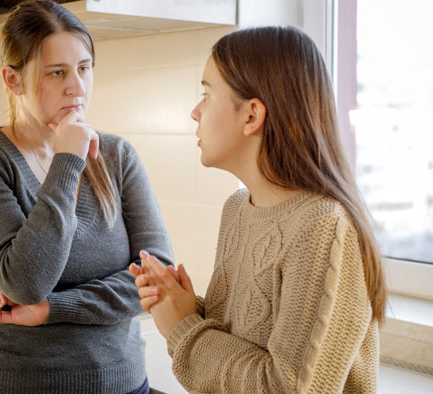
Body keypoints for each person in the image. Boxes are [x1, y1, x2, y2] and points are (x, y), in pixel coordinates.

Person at [130, 26, 386, 393]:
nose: (194, 111)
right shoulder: (237, 209)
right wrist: (186, 306)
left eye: (207, 93)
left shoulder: (324, 229)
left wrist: (184, 326)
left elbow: (288, 387)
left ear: (251, 116)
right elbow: (242, 337)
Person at [0, 1, 173, 393]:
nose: (77, 87)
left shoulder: (117, 156)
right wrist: (67, 159)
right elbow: (26, 281)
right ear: (11, 79)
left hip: (123, 383)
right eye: (57, 72)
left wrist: (52, 309)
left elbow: (157, 279)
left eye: (84, 68)